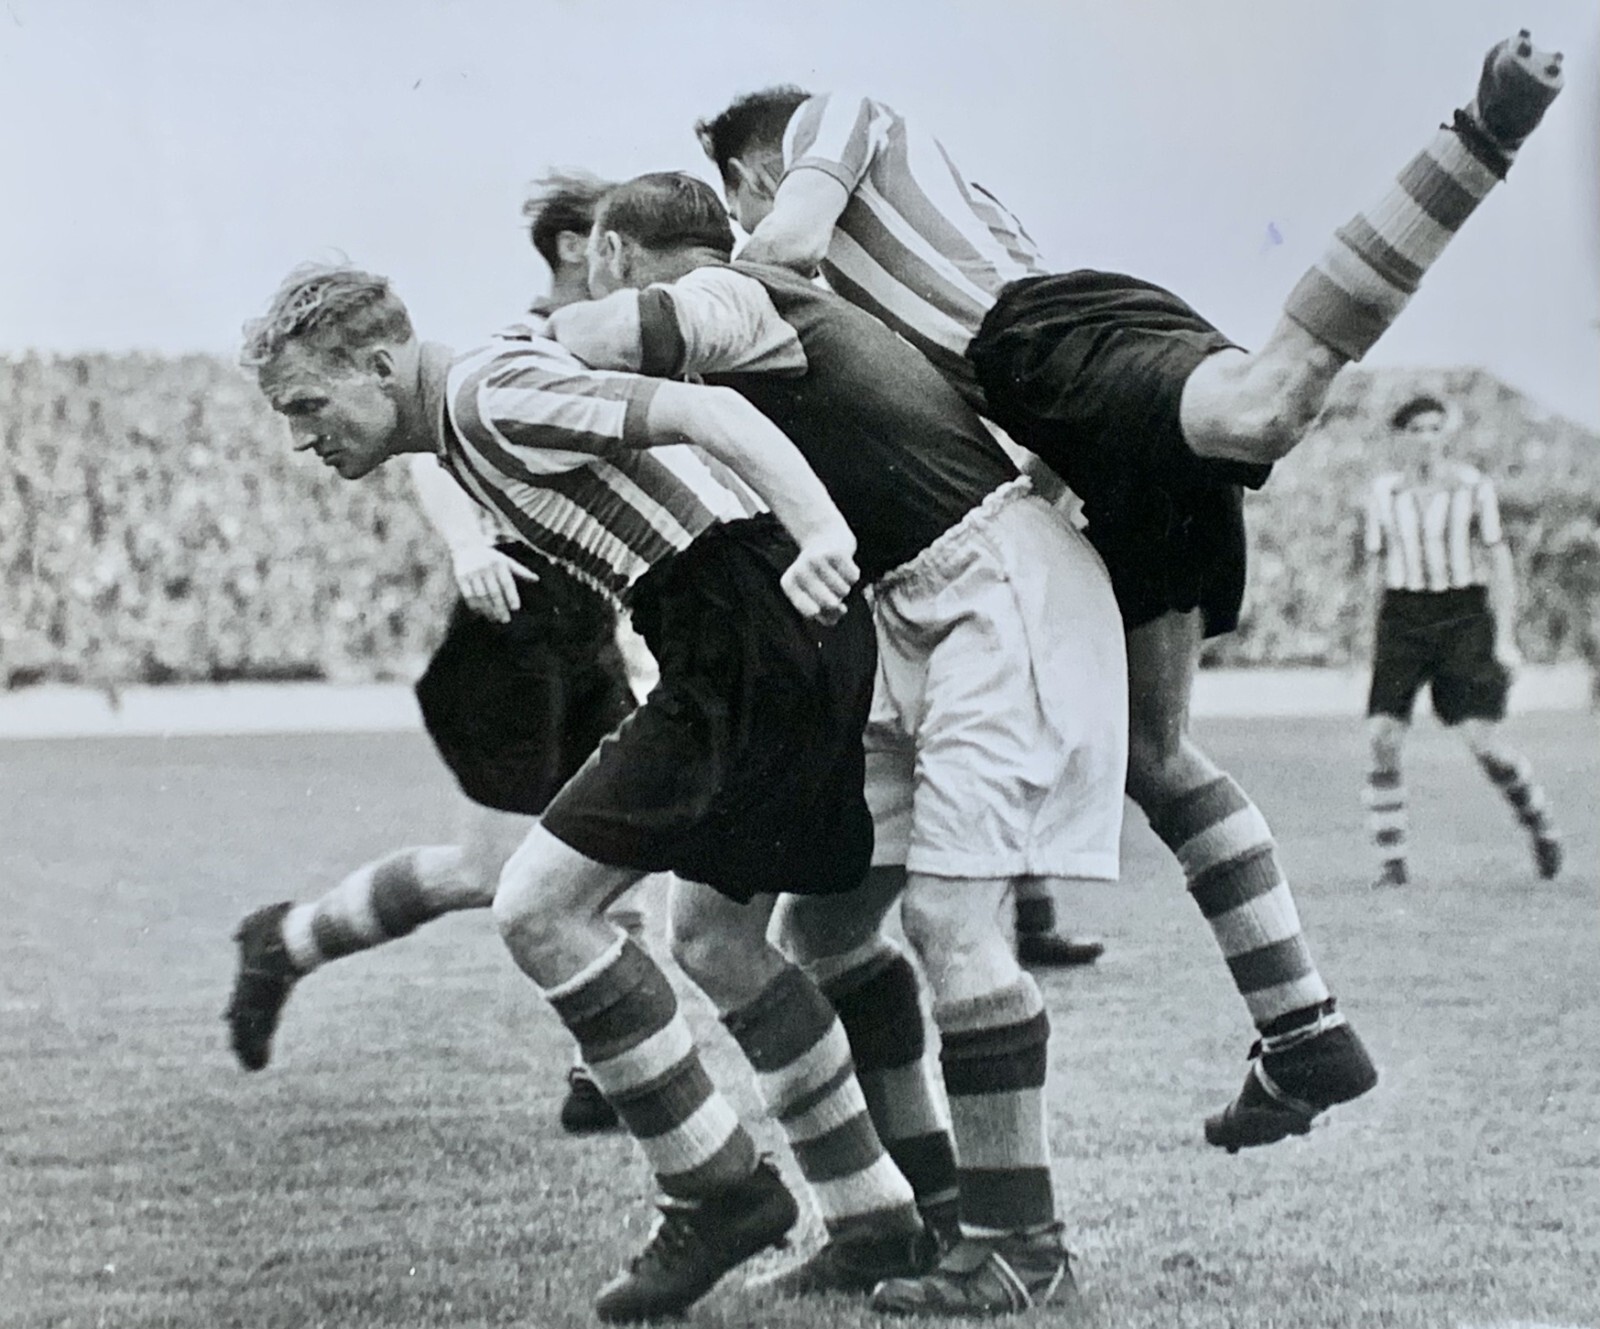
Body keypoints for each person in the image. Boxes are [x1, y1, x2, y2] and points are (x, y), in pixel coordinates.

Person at [693, 29, 1565, 1155]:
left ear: (749, 169)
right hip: (1076, 448)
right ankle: (1301, 1029)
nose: (741, 223)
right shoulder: (931, 229)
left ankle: (1476, 140)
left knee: (1264, 406)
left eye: (734, 200)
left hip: (1050, 343)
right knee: (1161, 756)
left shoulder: (833, 119)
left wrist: (651, 324)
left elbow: (787, 241)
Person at [239, 262, 928, 1323]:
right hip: (754, 631)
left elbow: (703, 411)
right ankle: (874, 1219)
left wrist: (822, 531)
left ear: (378, 367)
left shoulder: (485, 396)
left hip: (740, 626)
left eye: (306, 406)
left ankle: (718, 1191)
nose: (301, 436)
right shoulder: (470, 408)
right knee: (714, 940)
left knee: (537, 906)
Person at [550, 171, 1128, 1316]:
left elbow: (609, 333)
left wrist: (506, 362)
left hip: (977, 591)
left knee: (950, 924)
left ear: (612, 251)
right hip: (901, 615)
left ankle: (1022, 1244)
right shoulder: (762, 329)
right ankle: (911, 1220)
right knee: (806, 926)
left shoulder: (735, 294)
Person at [223, 172, 631, 1136]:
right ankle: (284, 940)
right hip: (511, 627)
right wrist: (467, 544)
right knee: (495, 872)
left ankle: (598, 1068)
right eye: (618, 243)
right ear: (581, 249)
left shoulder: (623, 341)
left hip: (586, 621)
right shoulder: (515, 347)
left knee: (617, 837)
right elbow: (431, 448)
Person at [1361, 392, 1563, 888]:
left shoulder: (1472, 487)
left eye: (1435, 428)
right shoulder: (1383, 493)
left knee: (1483, 742)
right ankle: (1393, 865)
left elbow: (1498, 561)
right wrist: (1369, 640)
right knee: (1382, 736)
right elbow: (1375, 566)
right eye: (1417, 430)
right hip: (1404, 615)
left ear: (1446, 434)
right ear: (1401, 439)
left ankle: (1539, 822)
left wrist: (1506, 636)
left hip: (1462, 614)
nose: (1427, 439)